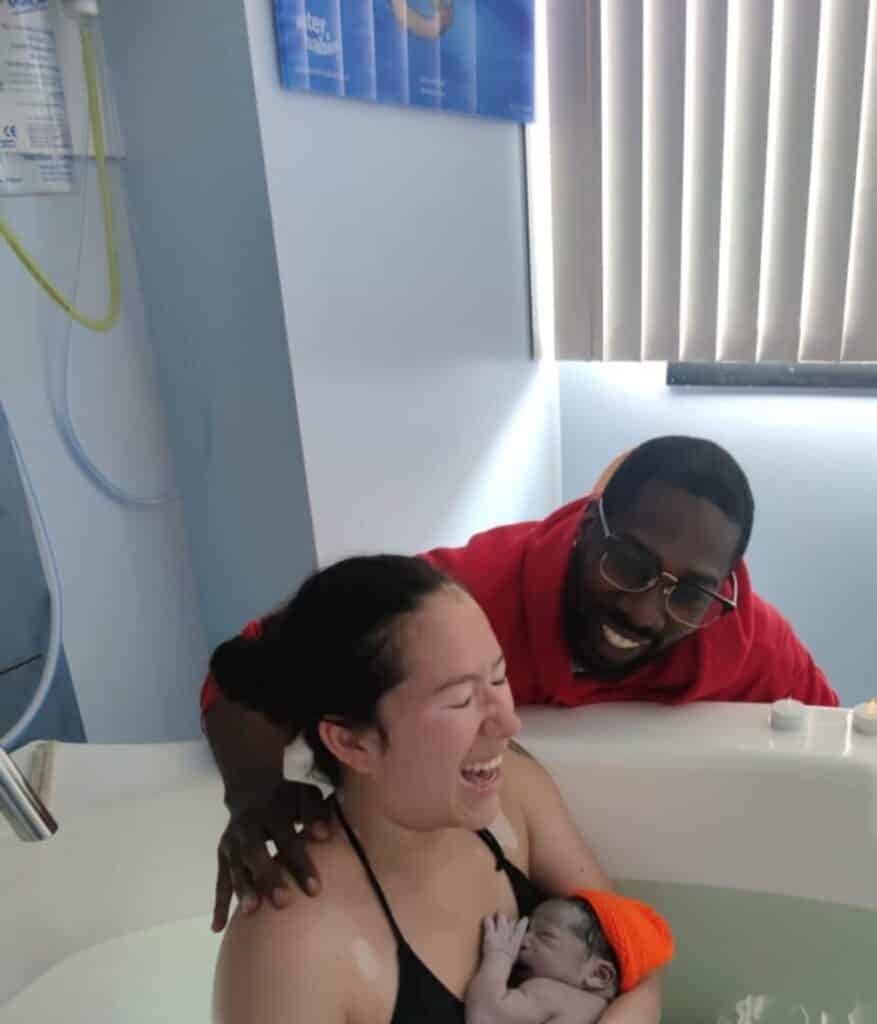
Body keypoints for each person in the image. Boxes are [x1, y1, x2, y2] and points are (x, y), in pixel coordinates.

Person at [202, 435, 839, 930]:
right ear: (590, 527)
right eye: (628, 564)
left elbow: (841, 753)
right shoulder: (460, 604)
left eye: (691, 593)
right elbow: (252, 671)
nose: (646, 613)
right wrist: (254, 792)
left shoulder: (736, 633)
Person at [210, 555, 663, 1023]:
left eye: (499, 678)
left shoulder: (514, 794)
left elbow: (639, 968)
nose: (508, 722)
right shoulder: (290, 946)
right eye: (462, 700)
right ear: (351, 742)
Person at [466, 891, 674, 1024]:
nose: (521, 940)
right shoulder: (599, 1010)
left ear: (598, 974)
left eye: (544, 936)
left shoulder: (551, 993)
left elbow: (486, 1015)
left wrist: (499, 958)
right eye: (526, 928)